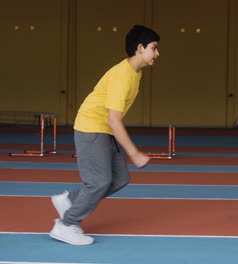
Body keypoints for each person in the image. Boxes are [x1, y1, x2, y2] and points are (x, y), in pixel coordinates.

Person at [49, 25, 160, 245]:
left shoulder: (134, 74)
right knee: (98, 181)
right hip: (92, 126)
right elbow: (113, 119)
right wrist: (134, 153)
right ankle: (66, 225)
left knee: (120, 179)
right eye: (154, 48)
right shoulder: (123, 76)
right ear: (140, 48)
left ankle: (70, 200)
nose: (157, 53)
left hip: (104, 129)